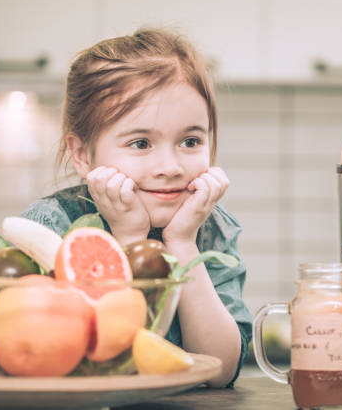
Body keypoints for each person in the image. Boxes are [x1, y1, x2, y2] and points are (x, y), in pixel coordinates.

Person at [22, 28, 252, 387]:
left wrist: (182, 243)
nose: (170, 167)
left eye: (190, 141)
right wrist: (130, 239)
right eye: (141, 143)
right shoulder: (50, 225)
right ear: (82, 154)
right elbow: (98, 365)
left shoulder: (209, 226)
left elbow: (220, 371)